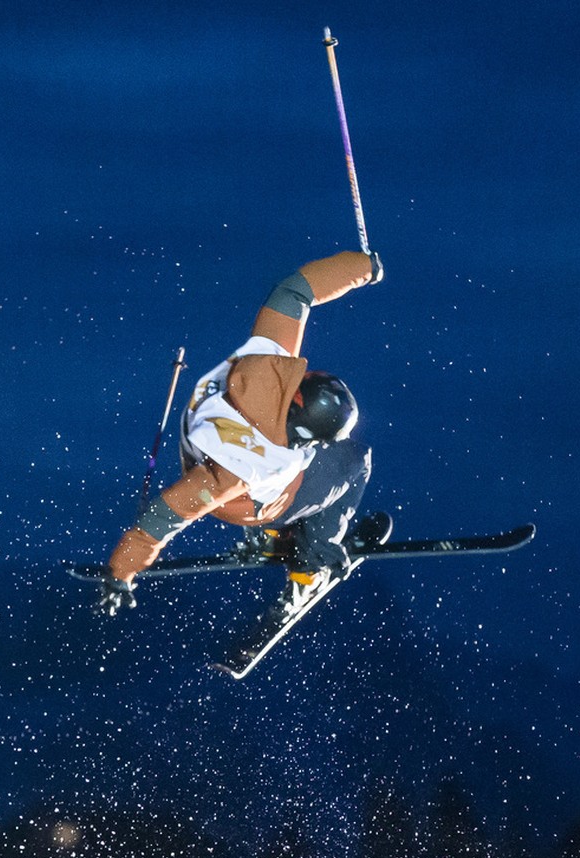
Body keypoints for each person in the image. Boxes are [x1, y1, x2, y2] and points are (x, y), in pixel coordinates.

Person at [97, 248, 385, 618]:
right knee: (355, 461)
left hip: (202, 455)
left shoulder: (267, 364)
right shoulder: (244, 467)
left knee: (312, 464)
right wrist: (121, 573)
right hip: (251, 502)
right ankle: (308, 567)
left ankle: (279, 535)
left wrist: (361, 267)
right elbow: (165, 516)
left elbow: (294, 291)